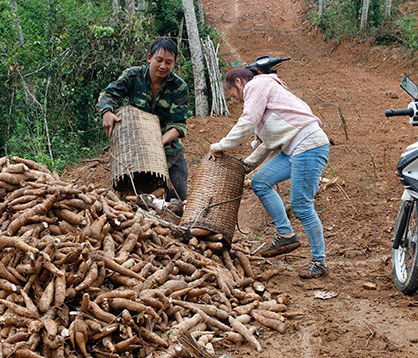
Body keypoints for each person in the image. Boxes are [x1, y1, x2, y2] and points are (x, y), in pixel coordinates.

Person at [209, 67, 330, 278]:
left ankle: (319, 262)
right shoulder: (265, 94)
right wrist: (245, 166)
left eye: (233, 94)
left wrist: (221, 145)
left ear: (238, 82)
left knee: (301, 204)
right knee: (261, 181)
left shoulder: (257, 85)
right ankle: (286, 234)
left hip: (309, 146)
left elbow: (246, 122)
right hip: (294, 148)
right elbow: (267, 144)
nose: (236, 100)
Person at [97, 38, 189, 204]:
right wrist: (106, 112)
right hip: (136, 150)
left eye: (169, 62)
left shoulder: (179, 87)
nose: (163, 66)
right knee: (134, 199)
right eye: (159, 60)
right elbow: (109, 95)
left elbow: (179, 125)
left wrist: (158, 144)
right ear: (149, 58)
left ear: (174, 64)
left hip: (169, 150)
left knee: (178, 202)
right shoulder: (133, 76)